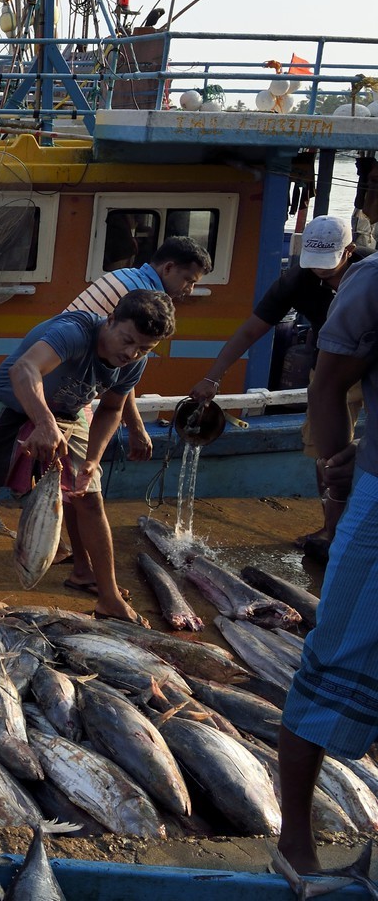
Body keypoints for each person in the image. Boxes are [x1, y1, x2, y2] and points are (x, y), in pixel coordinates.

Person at [0, 289, 178, 623]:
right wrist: (44, 422)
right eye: (127, 340)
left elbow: (111, 408)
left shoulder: (135, 362)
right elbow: (24, 370)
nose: (131, 353)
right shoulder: (74, 332)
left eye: (144, 348)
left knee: (90, 499)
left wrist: (93, 459)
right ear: (111, 320)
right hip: (14, 402)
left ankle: (109, 596)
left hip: (69, 412)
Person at [274, 252, 378, 874]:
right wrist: (336, 495)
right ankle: (295, 844)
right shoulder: (372, 281)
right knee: (334, 653)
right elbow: (328, 385)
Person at [190, 214, 373, 555]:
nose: (321, 271)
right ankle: (332, 532)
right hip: (332, 365)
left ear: (349, 251)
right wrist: (212, 376)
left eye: (329, 265)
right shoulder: (297, 280)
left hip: (374, 363)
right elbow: (250, 331)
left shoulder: (370, 271)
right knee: (324, 452)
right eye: (314, 263)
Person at [52, 237, 212, 596]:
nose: (188, 290)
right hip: (71, 392)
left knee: (75, 486)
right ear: (168, 268)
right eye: (189, 280)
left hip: (76, 387)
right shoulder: (142, 297)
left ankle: (79, 563)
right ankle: (84, 570)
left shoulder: (125, 276)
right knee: (84, 488)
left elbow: (123, 366)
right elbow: (123, 361)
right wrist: (136, 426)